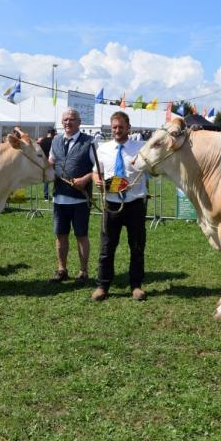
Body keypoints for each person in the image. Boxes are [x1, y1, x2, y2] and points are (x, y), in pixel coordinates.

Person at [91, 111, 148, 302]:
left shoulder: (141, 148)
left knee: (137, 247)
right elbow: (95, 172)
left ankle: (136, 286)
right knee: (107, 247)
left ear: (128, 127)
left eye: (121, 127)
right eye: (114, 127)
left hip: (135, 205)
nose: (117, 130)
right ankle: (103, 286)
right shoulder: (102, 149)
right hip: (111, 206)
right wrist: (98, 180)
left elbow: (153, 170)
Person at [48, 108, 95, 285]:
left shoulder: (89, 142)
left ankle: (83, 271)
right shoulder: (56, 141)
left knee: (81, 235)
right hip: (59, 198)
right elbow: (51, 163)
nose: (68, 122)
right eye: (65, 119)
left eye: (72, 119)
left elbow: (98, 169)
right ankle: (62, 270)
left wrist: (84, 179)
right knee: (61, 235)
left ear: (79, 122)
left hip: (80, 199)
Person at [38, 128, 56, 200]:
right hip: (53, 161)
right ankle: (55, 195)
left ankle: (46, 196)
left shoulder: (42, 141)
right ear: (53, 133)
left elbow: (40, 153)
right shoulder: (54, 141)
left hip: (45, 162)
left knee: (46, 180)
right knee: (56, 179)